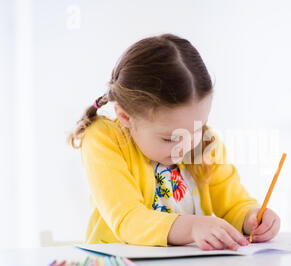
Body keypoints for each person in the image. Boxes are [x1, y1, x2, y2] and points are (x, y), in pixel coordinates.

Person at [67, 34, 280, 251]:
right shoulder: (105, 139)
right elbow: (128, 219)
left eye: (197, 129)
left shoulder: (205, 144)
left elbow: (233, 204)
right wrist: (193, 227)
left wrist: (251, 217)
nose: (186, 145)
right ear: (126, 117)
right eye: (170, 138)